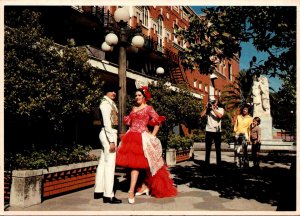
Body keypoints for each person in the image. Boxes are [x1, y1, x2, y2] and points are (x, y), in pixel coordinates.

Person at [116, 86, 177, 204]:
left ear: (144, 97)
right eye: (135, 95)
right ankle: (143, 186)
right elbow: (129, 122)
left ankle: (131, 191)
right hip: (131, 137)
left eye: (139, 95)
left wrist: (153, 135)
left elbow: (157, 121)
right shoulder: (133, 108)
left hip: (142, 138)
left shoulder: (148, 108)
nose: (137, 97)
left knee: (142, 165)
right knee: (137, 165)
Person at [94, 83, 122, 204]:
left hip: (107, 133)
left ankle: (99, 191)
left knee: (103, 163)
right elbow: (107, 123)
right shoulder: (105, 104)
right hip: (108, 133)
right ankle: (108, 195)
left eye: (115, 91)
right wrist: (112, 140)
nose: (114, 93)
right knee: (110, 164)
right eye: (111, 91)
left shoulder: (110, 103)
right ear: (105, 92)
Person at [200, 97, 224, 168]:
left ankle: (218, 164)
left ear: (217, 103)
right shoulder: (208, 110)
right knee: (207, 148)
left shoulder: (221, 109)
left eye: (214, 102)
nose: (213, 103)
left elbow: (220, 116)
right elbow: (201, 115)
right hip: (209, 130)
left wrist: (213, 109)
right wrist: (207, 108)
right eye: (212, 102)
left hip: (217, 131)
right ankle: (207, 164)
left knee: (218, 148)